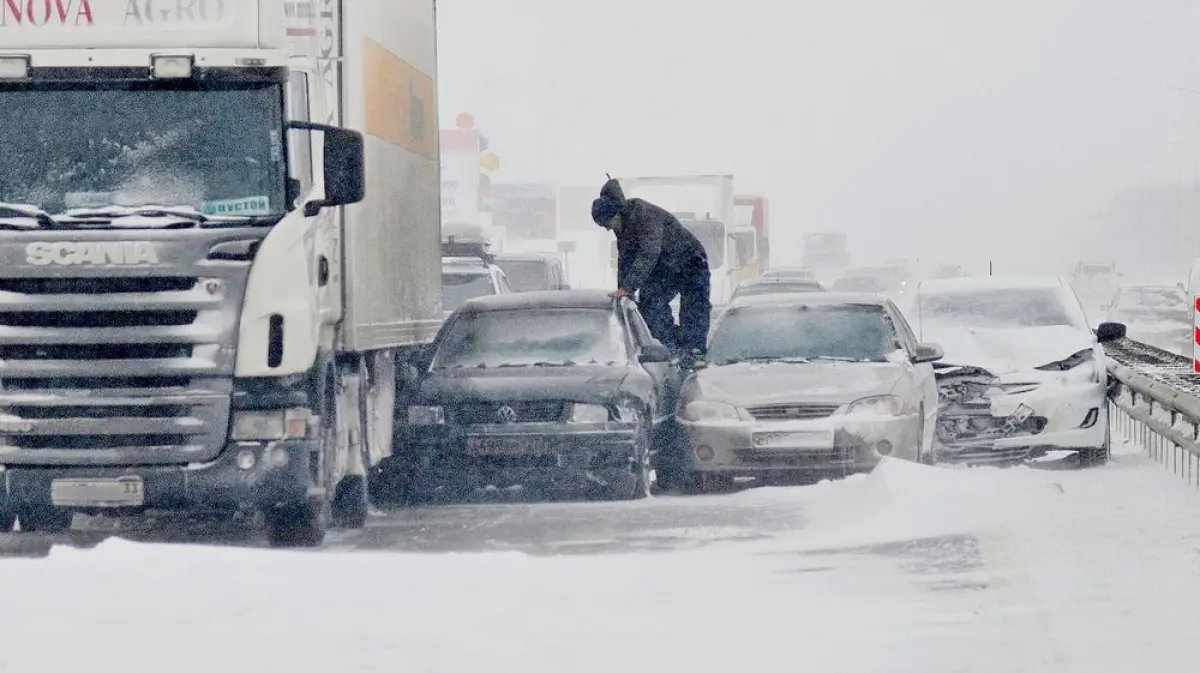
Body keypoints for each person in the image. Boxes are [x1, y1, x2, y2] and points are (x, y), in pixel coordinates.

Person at [591, 177, 712, 363]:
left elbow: (649, 252)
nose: (608, 229)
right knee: (649, 305)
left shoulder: (644, 214)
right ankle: (672, 346)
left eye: (606, 224)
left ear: (615, 215)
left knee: (693, 308)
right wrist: (623, 291)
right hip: (664, 267)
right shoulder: (622, 225)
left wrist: (629, 286)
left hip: (690, 262)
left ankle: (693, 350)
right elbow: (625, 259)